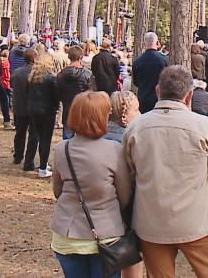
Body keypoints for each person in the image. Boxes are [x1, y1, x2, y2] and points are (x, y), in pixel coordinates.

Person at [123, 66, 208, 278]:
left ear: (158, 91)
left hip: (151, 220)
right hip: (197, 219)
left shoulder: (136, 128)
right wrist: (207, 191)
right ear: (189, 95)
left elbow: (128, 173)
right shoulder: (205, 127)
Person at [50, 91, 133, 278]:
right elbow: (125, 196)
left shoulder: (62, 149)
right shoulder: (114, 150)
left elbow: (58, 191)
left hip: (68, 234)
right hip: (106, 234)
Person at [27, 54, 59, 178]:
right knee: (45, 140)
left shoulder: (32, 78)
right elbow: (55, 96)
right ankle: (43, 168)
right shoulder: (51, 79)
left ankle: (43, 163)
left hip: (34, 111)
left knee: (41, 138)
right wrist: (56, 107)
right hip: (47, 111)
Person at [57, 46, 96, 140]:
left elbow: (58, 93)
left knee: (67, 137)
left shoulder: (61, 74)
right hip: (83, 110)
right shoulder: (87, 74)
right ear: (81, 57)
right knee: (82, 138)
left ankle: (67, 153)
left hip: (67, 108)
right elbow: (92, 93)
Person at [11, 49, 38, 171]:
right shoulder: (36, 73)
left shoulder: (16, 72)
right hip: (32, 108)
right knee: (33, 135)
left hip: (19, 107)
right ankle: (28, 160)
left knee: (20, 133)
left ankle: (18, 156)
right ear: (34, 59)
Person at [132, 32, 168, 114]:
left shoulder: (137, 62)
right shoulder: (164, 60)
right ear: (157, 43)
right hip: (160, 99)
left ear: (144, 43)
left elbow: (135, 82)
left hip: (143, 98)